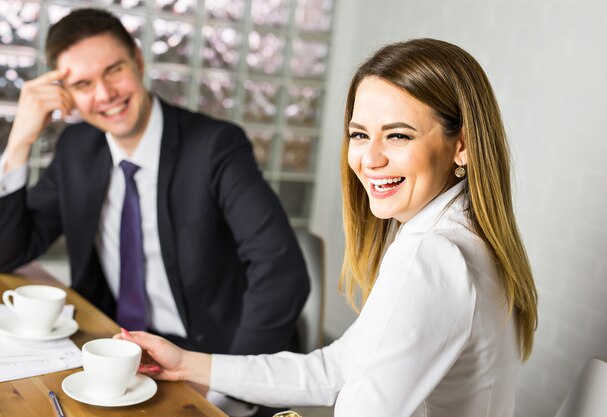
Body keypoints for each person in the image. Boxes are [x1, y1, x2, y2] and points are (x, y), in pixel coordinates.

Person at [116, 38, 539, 417]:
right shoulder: (463, 237)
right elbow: (335, 370)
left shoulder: (429, 255)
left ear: (461, 145)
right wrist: (186, 363)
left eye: (397, 136)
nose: (369, 159)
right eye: (359, 134)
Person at [0, 8, 309, 416]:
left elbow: (281, 270)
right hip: (118, 355)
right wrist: (19, 140)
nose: (105, 93)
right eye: (83, 84)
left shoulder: (216, 146)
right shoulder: (77, 148)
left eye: (114, 70)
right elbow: (9, 251)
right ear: (66, 94)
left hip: (212, 356)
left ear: (139, 62)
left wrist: (224, 386)